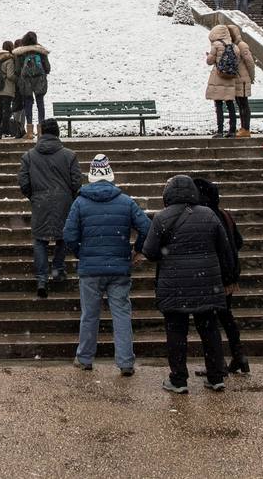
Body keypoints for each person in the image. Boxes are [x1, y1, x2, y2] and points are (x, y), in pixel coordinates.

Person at [143, 174, 237, 393]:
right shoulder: (209, 215)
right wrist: (227, 277)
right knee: (210, 329)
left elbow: (150, 252)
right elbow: (225, 249)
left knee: (176, 331)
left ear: (167, 195)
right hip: (207, 282)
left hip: (175, 284)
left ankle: (179, 379)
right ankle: (215, 376)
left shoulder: (162, 217)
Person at [63, 155, 151, 374]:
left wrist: (81, 252)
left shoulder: (80, 202)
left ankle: (85, 358)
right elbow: (147, 228)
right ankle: (125, 362)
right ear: (110, 176)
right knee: (121, 314)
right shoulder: (125, 201)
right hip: (119, 268)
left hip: (90, 269)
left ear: (91, 177)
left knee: (89, 315)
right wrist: (137, 250)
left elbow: (69, 235)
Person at [17, 118, 83, 297]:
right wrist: (69, 196)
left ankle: (41, 279)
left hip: (40, 201)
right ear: (57, 133)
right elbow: (77, 181)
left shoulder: (29, 156)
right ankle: (58, 270)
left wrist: (34, 195)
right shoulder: (69, 155)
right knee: (63, 236)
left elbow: (23, 181)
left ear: (41, 133)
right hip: (64, 201)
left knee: (40, 240)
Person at [192, 175, 248, 376]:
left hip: (213, 275)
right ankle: (239, 355)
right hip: (230, 274)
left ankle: (217, 364)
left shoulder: (204, 217)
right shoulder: (224, 214)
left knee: (209, 321)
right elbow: (239, 242)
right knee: (226, 316)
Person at [13, 32, 51, 141]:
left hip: (26, 82)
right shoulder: (41, 52)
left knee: (28, 105)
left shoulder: (20, 53)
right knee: (40, 104)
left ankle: (29, 132)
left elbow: (16, 70)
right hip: (40, 81)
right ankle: (41, 132)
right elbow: (47, 68)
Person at [205, 25, 239, 138]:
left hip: (218, 76)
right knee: (230, 105)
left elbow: (209, 61)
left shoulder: (216, 45)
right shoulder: (234, 46)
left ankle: (220, 131)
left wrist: (209, 56)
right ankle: (232, 130)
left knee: (218, 105)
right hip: (230, 77)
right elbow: (237, 61)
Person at [228, 24, 256, 137]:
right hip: (238, 79)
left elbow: (250, 62)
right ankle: (244, 127)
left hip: (243, 79)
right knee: (241, 104)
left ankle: (246, 128)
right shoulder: (233, 46)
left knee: (243, 104)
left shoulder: (241, 45)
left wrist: (251, 77)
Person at [0, 42, 18, 139]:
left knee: (0, 111)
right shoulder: (9, 60)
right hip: (7, 89)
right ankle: (4, 132)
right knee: (6, 111)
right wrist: (17, 79)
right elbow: (10, 75)